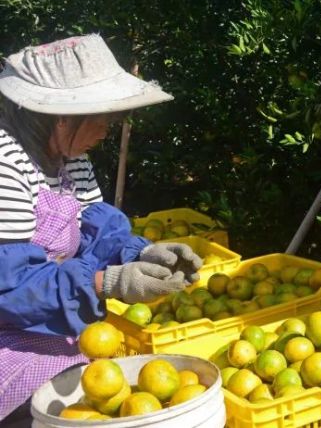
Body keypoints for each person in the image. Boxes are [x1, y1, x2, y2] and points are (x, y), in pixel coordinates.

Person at [0, 35, 202, 423]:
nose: (108, 128)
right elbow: (10, 286)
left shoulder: (70, 160)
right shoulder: (7, 165)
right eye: (102, 117)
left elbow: (96, 232)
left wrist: (139, 254)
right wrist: (103, 283)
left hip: (56, 332)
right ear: (61, 116)